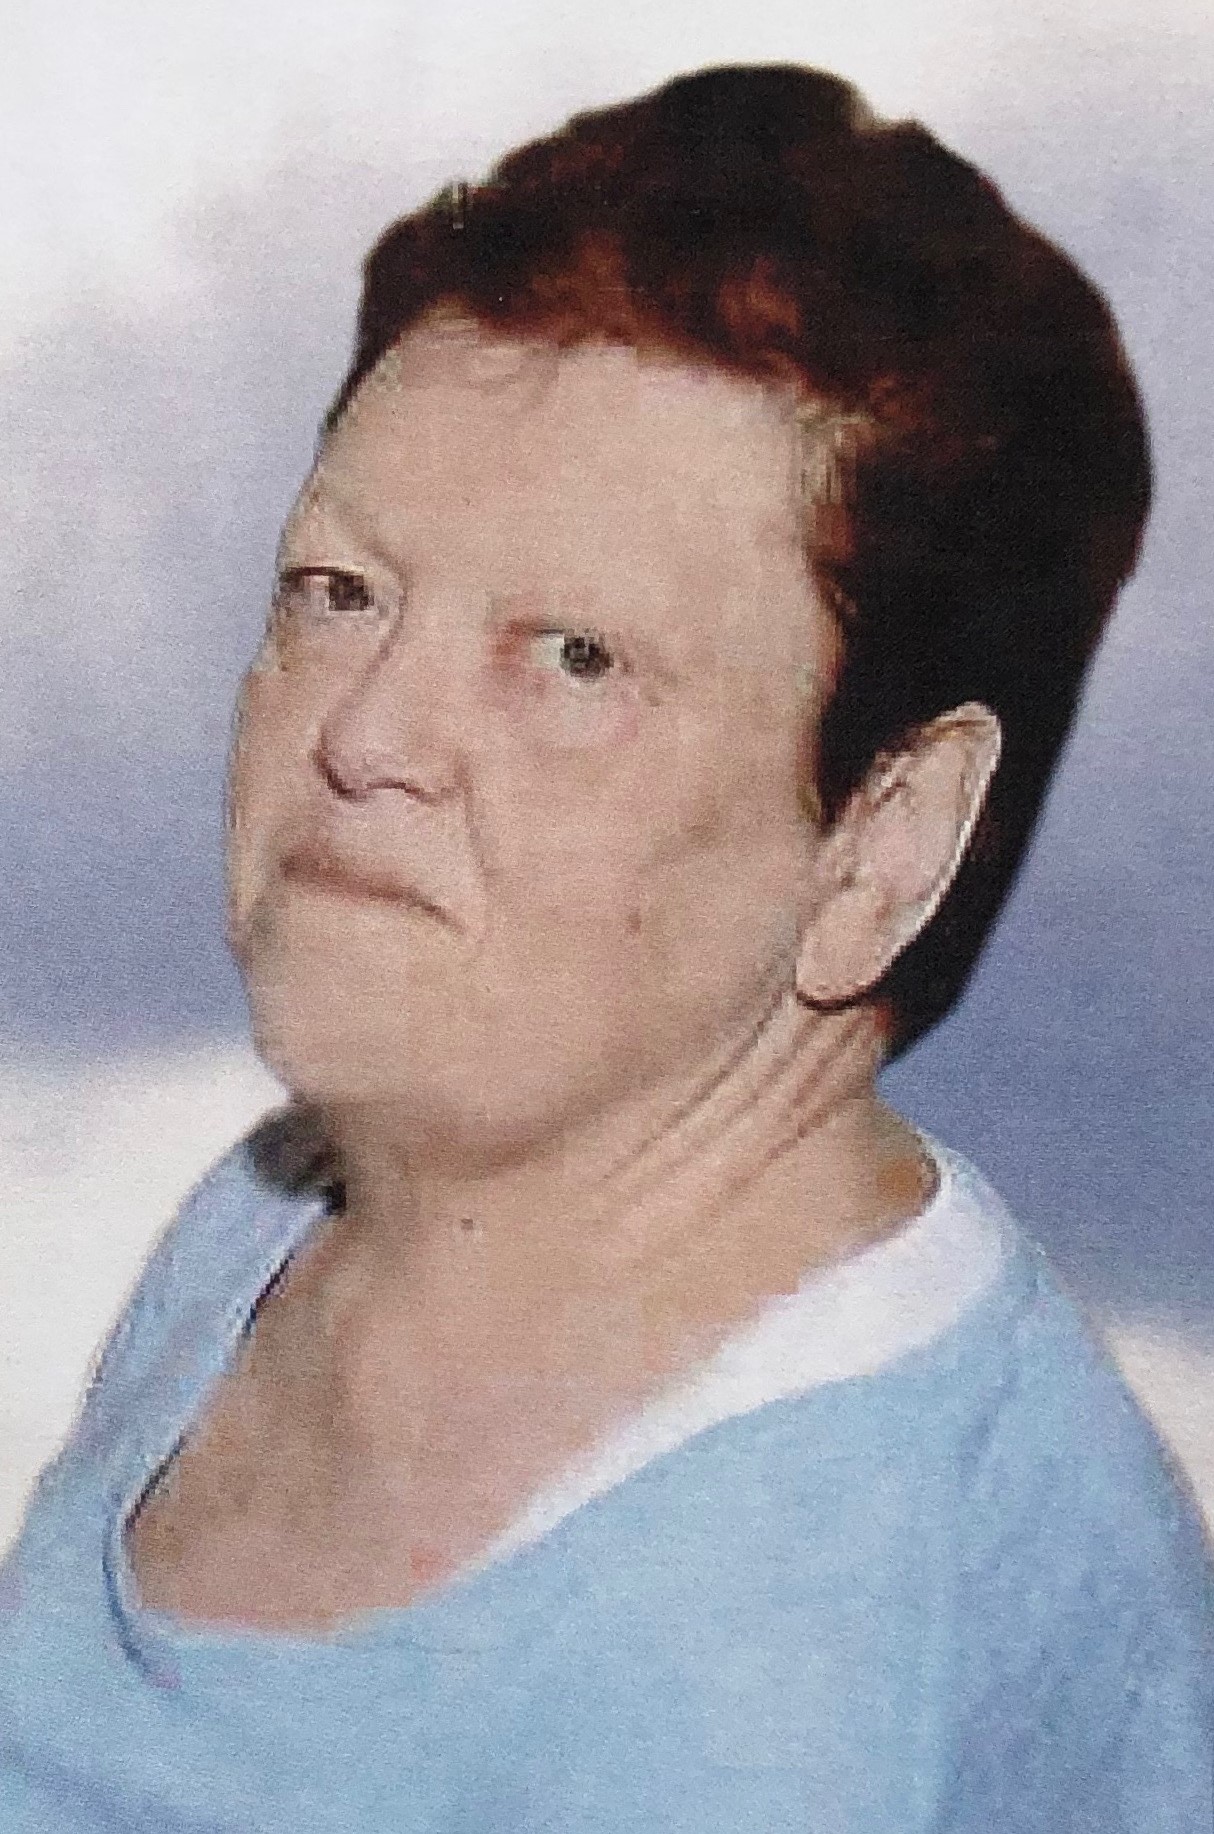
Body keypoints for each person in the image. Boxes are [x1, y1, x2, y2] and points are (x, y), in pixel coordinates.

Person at [0, 62, 1209, 1833]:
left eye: (573, 657)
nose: (365, 733)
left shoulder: (813, 1664)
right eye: (339, 591)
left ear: (884, 835)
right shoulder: (281, 1213)